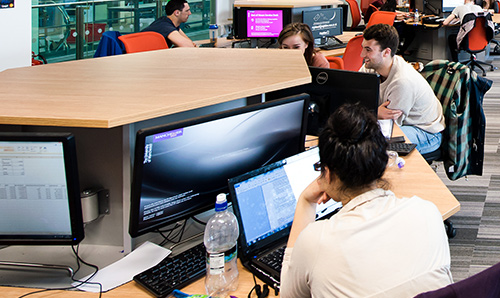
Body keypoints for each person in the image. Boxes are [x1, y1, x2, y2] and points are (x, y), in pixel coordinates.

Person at [280, 103, 453, 297]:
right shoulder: (427, 212)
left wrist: (305, 201)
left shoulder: (317, 242)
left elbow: (287, 294)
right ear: (383, 163)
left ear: (327, 173)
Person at [359, 23, 445, 154]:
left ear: (386, 52)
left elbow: (390, 126)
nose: (362, 54)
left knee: (374, 145)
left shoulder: (402, 82)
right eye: (363, 48)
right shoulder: (370, 66)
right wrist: (374, 112)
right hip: (402, 124)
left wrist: (371, 113)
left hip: (425, 132)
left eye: (368, 50)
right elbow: (354, 99)